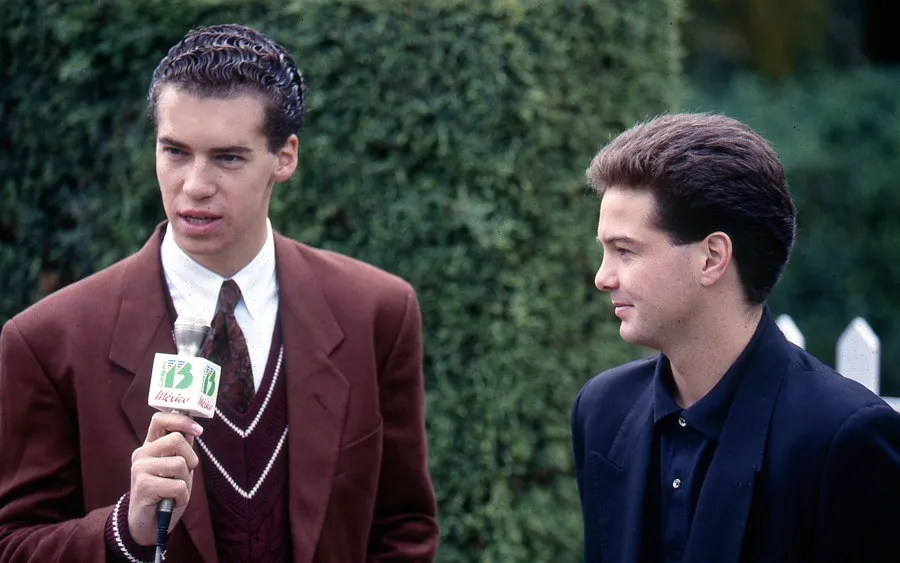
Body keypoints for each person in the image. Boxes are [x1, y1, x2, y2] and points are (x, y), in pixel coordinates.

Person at [0, 24, 438, 562]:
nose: (195, 185)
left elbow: (403, 528)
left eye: (228, 158)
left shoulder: (377, 311)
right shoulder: (48, 340)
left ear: (285, 157)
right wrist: (124, 530)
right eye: (175, 152)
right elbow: (13, 545)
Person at [571, 113, 900, 563]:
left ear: (712, 257)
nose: (602, 277)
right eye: (605, 251)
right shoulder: (601, 410)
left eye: (625, 251)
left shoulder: (843, 436)